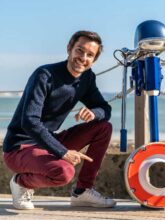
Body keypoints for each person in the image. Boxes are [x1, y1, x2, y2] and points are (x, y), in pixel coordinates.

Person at [2, 30, 116, 209]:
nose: (83, 57)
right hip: (20, 148)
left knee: (104, 127)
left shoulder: (87, 78)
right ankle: (20, 182)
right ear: (69, 48)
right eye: (79, 50)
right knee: (64, 171)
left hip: (48, 141)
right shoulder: (45, 75)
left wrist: (94, 113)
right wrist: (63, 152)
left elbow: (105, 109)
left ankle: (83, 192)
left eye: (90, 55)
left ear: (94, 60)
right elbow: (29, 121)